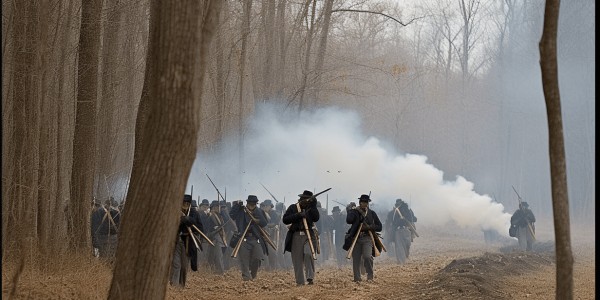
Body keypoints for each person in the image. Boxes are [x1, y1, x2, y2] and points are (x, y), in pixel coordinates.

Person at [282, 190, 320, 286]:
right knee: (297, 260)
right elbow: (285, 220)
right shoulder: (293, 207)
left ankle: (310, 278)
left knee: (308, 253)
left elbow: (316, 218)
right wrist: (298, 215)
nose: (306, 201)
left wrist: (314, 205)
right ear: (301, 199)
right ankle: (300, 282)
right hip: (296, 235)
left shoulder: (311, 208)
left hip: (309, 235)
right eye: (305, 199)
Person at [343, 194, 382, 282]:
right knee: (356, 259)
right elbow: (349, 221)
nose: (364, 204)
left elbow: (379, 227)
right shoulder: (355, 212)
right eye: (363, 202)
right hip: (356, 238)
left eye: (366, 202)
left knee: (367, 256)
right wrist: (349, 210)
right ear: (360, 202)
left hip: (367, 238)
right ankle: (357, 278)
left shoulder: (372, 213)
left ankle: (370, 275)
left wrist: (370, 227)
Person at [230, 195, 268, 281]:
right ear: (247, 203)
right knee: (244, 259)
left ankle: (253, 275)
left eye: (254, 204)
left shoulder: (259, 211)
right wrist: (237, 205)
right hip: (243, 238)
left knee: (257, 258)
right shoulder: (241, 211)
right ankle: (246, 277)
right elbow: (232, 215)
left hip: (255, 238)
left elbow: (264, 223)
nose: (252, 205)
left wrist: (256, 219)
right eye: (250, 204)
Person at [170, 194, 203, 288]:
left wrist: (187, 219)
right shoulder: (175, 212)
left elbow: (200, 228)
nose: (185, 204)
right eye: (183, 202)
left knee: (184, 266)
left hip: (188, 242)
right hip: (176, 241)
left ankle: (181, 286)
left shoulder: (194, 213)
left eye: (187, 203)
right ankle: (174, 285)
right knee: (176, 264)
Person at [385, 198, 417, 264]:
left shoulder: (408, 211)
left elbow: (414, 219)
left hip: (407, 229)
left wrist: (407, 217)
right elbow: (390, 222)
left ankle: (406, 255)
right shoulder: (393, 213)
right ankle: (401, 262)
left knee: (407, 244)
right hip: (398, 231)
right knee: (399, 247)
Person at [206, 200, 227, 274]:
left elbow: (226, 220)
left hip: (221, 237)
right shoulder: (210, 217)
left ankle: (217, 271)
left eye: (218, 207)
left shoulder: (220, 216)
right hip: (215, 238)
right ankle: (220, 272)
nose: (218, 208)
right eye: (216, 207)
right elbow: (208, 230)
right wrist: (216, 229)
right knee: (218, 257)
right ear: (213, 208)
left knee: (217, 257)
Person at [260, 199, 281, 271]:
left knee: (273, 251)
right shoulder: (265, 213)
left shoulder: (273, 213)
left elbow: (273, 224)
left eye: (266, 206)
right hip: (266, 234)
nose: (265, 207)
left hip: (273, 234)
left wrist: (265, 225)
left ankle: (275, 267)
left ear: (269, 206)